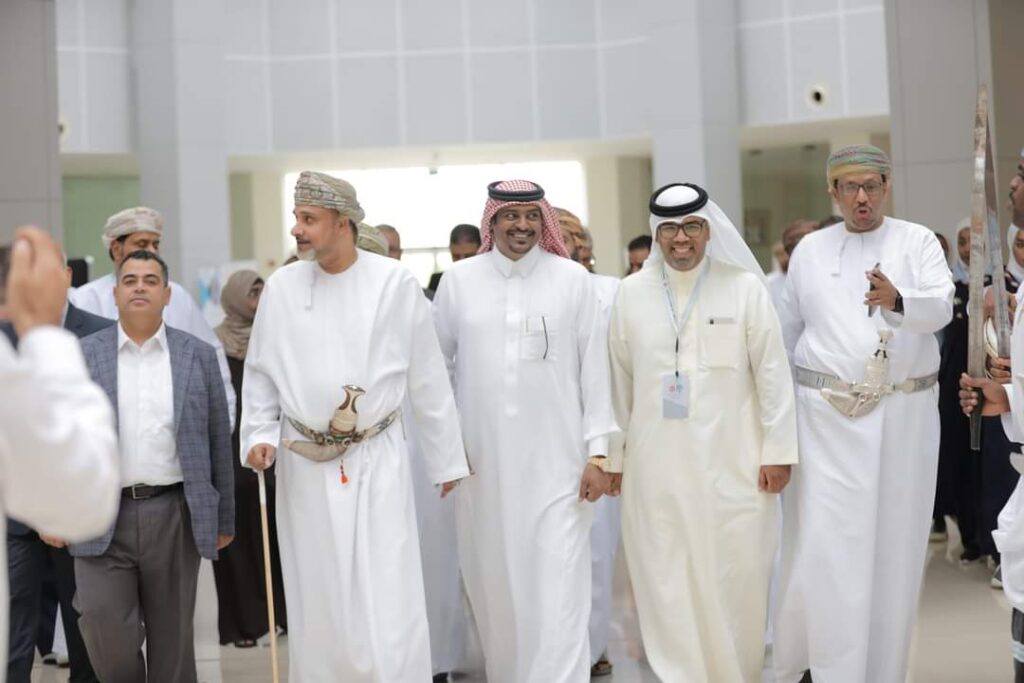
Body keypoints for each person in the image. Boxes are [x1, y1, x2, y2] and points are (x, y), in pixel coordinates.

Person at [242, 171, 469, 680]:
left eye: (308, 219)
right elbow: (259, 374)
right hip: (304, 461)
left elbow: (428, 378)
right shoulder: (282, 287)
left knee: (385, 587)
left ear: (342, 223)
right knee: (318, 588)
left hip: (376, 457)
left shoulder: (394, 283)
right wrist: (257, 436)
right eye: (296, 218)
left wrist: (446, 459)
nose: (296, 229)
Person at [772, 145, 953, 683]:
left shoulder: (916, 241)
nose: (861, 198)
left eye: (871, 186)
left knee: (895, 550)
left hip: (903, 421)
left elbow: (941, 306)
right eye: (849, 187)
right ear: (832, 192)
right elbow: (786, 336)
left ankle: (882, 672)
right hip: (826, 425)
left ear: (887, 187)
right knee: (830, 551)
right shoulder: (810, 251)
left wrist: (898, 301)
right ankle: (828, 671)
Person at [606, 183, 797, 681]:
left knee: (736, 576)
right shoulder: (630, 294)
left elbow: (773, 375)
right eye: (669, 228)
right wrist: (613, 459)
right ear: (656, 234)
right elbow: (618, 384)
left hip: (735, 466)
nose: (681, 238)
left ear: (708, 230)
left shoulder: (743, 288)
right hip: (656, 469)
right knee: (665, 579)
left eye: (691, 226)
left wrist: (778, 451)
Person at [433, 179, 617, 682]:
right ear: (491, 221)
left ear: (544, 222)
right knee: (495, 592)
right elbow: (435, 371)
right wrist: (447, 451)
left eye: (532, 216)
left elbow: (595, 371)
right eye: (510, 216)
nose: (522, 226)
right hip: (483, 470)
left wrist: (600, 453)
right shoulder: (459, 282)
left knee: (560, 590)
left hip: (560, 469)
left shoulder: (572, 279)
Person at [68, 250, 234, 682]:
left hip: (174, 512)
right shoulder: (81, 356)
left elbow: (218, 440)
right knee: (104, 631)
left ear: (167, 294)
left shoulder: (197, 356)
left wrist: (224, 518)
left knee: (173, 642)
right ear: (115, 294)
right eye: (130, 280)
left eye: (149, 280)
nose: (139, 287)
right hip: (98, 514)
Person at [0, 226, 120, 675]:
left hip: (56, 514)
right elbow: (80, 492)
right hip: (30, 511)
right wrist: (44, 335)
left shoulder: (103, 333)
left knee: (80, 615)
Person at [68, 207, 235, 425]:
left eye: (155, 244)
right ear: (116, 250)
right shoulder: (85, 299)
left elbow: (211, 358)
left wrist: (226, 419)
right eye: (142, 244)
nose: (152, 251)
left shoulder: (177, 297)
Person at [210, 269, 287, 649]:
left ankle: (281, 616)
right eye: (251, 294)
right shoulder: (216, 344)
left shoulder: (273, 336)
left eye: (262, 293)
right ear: (235, 298)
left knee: (273, 539)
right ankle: (243, 625)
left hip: (268, 452)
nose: (257, 302)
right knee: (235, 543)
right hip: (228, 456)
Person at [427, 224, 482, 295]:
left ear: (482, 250)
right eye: (456, 256)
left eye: (468, 256)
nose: (461, 262)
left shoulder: (491, 279)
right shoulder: (438, 281)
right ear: (450, 250)